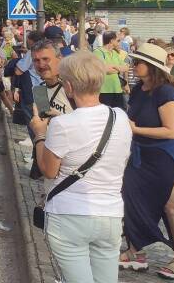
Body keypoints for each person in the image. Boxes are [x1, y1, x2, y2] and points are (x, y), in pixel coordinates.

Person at [28, 52, 133, 283]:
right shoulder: (120, 117)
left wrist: (40, 135)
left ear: (68, 86)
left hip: (69, 215)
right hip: (110, 214)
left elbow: (48, 170)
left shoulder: (62, 124)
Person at [119, 42, 174, 278]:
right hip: (141, 155)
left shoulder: (165, 92)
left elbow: (171, 130)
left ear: (151, 66)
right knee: (132, 198)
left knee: (172, 207)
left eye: (137, 62)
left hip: (164, 157)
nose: (133, 65)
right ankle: (135, 251)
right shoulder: (139, 89)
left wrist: (135, 129)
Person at [95, 31, 129, 110]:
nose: (119, 42)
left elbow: (126, 67)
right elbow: (105, 69)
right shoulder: (98, 52)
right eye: (118, 40)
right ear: (111, 41)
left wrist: (113, 67)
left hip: (117, 89)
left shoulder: (114, 53)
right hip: (104, 90)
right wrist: (118, 68)